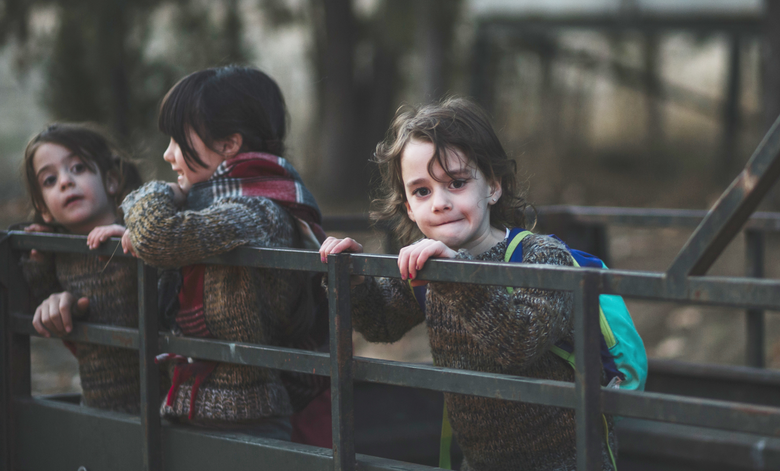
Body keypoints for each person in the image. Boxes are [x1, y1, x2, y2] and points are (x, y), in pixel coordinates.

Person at [320, 98, 618, 471]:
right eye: (422, 191)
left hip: (566, 460)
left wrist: (455, 275)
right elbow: (381, 322)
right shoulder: (427, 262)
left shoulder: (540, 256)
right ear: (409, 207)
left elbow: (519, 343)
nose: (440, 203)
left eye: (456, 183)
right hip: (480, 463)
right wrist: (353, 280)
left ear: (493, 187)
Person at [119, 66, 328, 443]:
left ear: (229, 145)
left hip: (247, 424)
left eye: (178, 140)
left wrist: (154, 195)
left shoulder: (257, 212)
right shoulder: (216, 209)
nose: (167, 154)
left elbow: (158, 236)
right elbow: (166, 235)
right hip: (194, 410)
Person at [20, 122, 144, 413]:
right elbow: (49, 298)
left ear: (111, 181)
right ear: (44, 207)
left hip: (164, 406)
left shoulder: (142, 228)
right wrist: (52, 290)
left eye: (78, 168)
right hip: (99, 407)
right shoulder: (56, 255)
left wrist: (134, 239)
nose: (65, 181)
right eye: (50, 180)